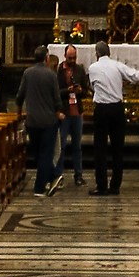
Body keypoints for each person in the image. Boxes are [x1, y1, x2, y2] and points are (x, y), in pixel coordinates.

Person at [87, 38, 139, 196]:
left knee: (100, 148)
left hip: (102, 109)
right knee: (117, 148)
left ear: (97, 54)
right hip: (117, 109)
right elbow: (134, 75)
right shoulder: (117, 65)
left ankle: (101, 185)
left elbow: (93, 86)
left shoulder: (93, 68)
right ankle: (115, 185)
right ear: (109, 53)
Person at [17, 48, 65, 194]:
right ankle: (41, 187)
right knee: (46, 154)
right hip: (48, 121)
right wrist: (59, 111)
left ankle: (52, 178)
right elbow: (57, 98)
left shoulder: (27, 73)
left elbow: (20, 95)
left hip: (32, 121)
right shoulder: (51, 75)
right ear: (46, 58)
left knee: (38, 153)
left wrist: (19, 113)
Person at [57, 45, 86, 185]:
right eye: (70, 58)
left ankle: (78, 175)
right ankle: (58, 175)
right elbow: (55, 92)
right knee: (61, 145)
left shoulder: (80, 70)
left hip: (77, 112)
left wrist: (80, 91)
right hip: (64, 111)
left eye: (74, 57)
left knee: (77, 146)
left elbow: (86, 91)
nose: (72, 60)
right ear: (65, 57)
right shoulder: (58, 71)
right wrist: (67, 91)